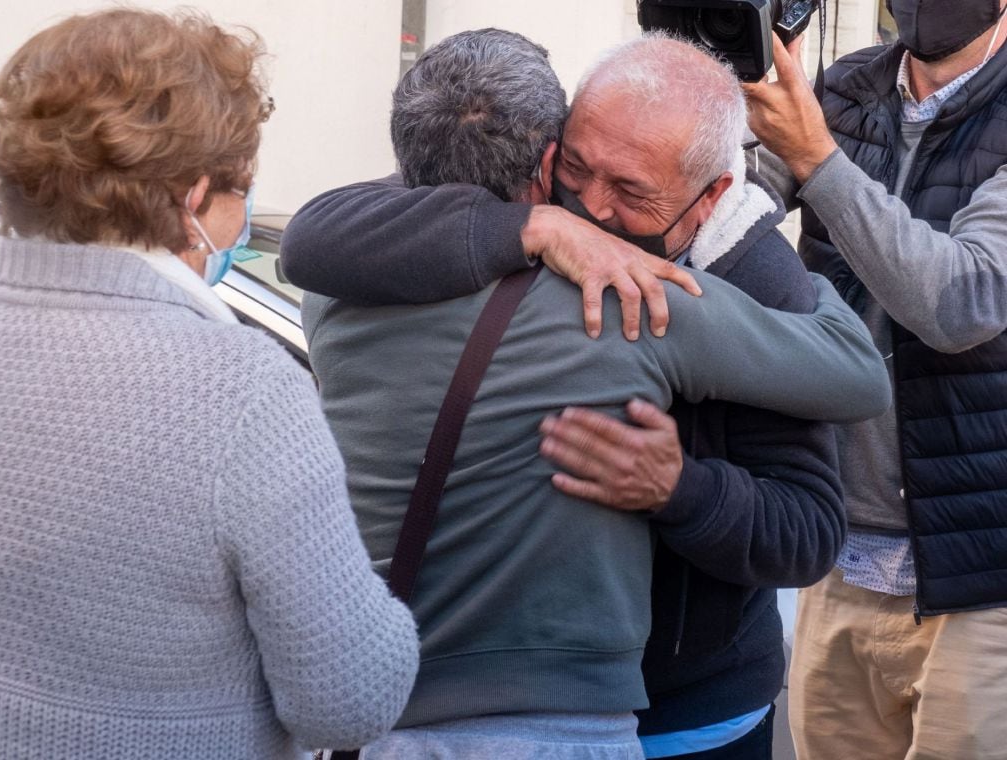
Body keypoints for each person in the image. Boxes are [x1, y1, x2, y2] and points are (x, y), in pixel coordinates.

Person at [291, 29, 889, 759]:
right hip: (573, 717)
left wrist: (683, 489)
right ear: (548, 156)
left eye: (633, 192)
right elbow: (855, 369)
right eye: (578, 168)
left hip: (678, 710)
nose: (597, 215)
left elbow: (808, 529)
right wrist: (537, 226)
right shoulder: (628, 299)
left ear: (710, 198)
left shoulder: (351, 280)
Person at [0, 9, 419, 759]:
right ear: (193, 198)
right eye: (240, 190)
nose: (243, 220)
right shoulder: (244, 392)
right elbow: (349, 701)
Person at [741, 0, 1007, 756]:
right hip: (840, 551)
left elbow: (966, 300)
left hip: (980, 571)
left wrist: (817, 161)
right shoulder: (842, 88)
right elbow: (728, 217)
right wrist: (733, 78)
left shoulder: (821, 128)